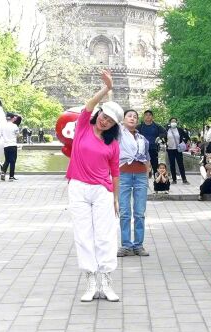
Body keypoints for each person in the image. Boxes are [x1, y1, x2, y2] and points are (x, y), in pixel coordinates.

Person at [65, 70, 122, 302]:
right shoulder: (83, 128)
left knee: (105, 235)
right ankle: (90, 280)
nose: (104, 120)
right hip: (78, 187)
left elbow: (116, 173)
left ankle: (106, 280)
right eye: (103, 115)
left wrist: (116, 198)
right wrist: (106, 89)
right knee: (83, 234)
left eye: (109, 120)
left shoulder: (113, 144)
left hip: (101, 191)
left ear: (113, 125)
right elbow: (88, 105)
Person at [117, 109, 151, 258]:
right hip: (123, 175)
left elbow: (147, 156)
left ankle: (138, 245)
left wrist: (148, 171)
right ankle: (125, 245)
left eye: (135, 117)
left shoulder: (142, 138)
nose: (132, 118)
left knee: (139, 212)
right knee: (124, 212)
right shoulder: (118, 134)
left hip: (141, 176)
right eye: (129, 116)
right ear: (123, 119)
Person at [138, 110, 166, 177]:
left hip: (153, 148)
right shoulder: (140, 126)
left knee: (155, 165)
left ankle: (157, 180)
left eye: (149, 115)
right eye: (146, 115)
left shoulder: (157, 126)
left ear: (152, 117)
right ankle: (145, 176)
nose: (148, 116)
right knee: (142, 165)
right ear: (144, 117)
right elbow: (133, 133)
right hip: (142, 150)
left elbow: (165, 132)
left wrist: (159, 137)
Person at [165, 117, 190, 184]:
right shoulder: (167, 130)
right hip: (170, 149)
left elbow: (187, 137)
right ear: (170, 122)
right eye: (172, 121)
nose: (174, 123)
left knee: (180, 164)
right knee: (172, 165)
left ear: (176, 122)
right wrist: (165, 142)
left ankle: (184, 179)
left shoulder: (179, 129)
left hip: (178, 149)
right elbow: (163, 137)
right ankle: (174, 179)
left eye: (175, 121)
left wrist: (183, 142)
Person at [1, 113, 20, 181]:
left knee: (7, 160)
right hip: (12, 145)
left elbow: (2, 135)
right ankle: (11, 176)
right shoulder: (14, 126)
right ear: (12, 118)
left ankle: (3, 173)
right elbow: (18, 135)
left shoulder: (2, 126)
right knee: (12, 161)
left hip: (6, 145)